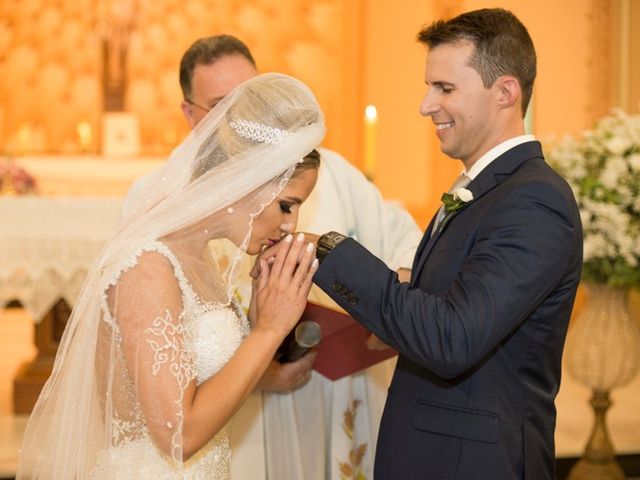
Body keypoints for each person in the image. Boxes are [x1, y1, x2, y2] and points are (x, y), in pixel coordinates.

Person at [258, 8, 583, 479]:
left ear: (505, 93)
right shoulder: (487, 190)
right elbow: (452, 305)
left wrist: (327, 248)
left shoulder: (534, 200)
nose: (426, 105)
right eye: (430, 86)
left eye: (445, 88)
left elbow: (451, 339)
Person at [123, 35, 422, 479]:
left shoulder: (322, 171)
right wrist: (264, 341)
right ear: (190, 114)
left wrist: (394, 309)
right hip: (220, 423)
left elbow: (403, 245)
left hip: (320, 396)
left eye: (251, 98)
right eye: (224, 106)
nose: (288, 222)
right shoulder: (157, 204)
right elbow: (163, 390)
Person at [17, 73, 324, 479]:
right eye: (287, 205)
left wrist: (262, 310)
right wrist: (268, 330)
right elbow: (178, 435)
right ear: (247, 178)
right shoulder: (148, 264)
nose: (290, 224)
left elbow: (212, 380)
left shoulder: (199, 256)